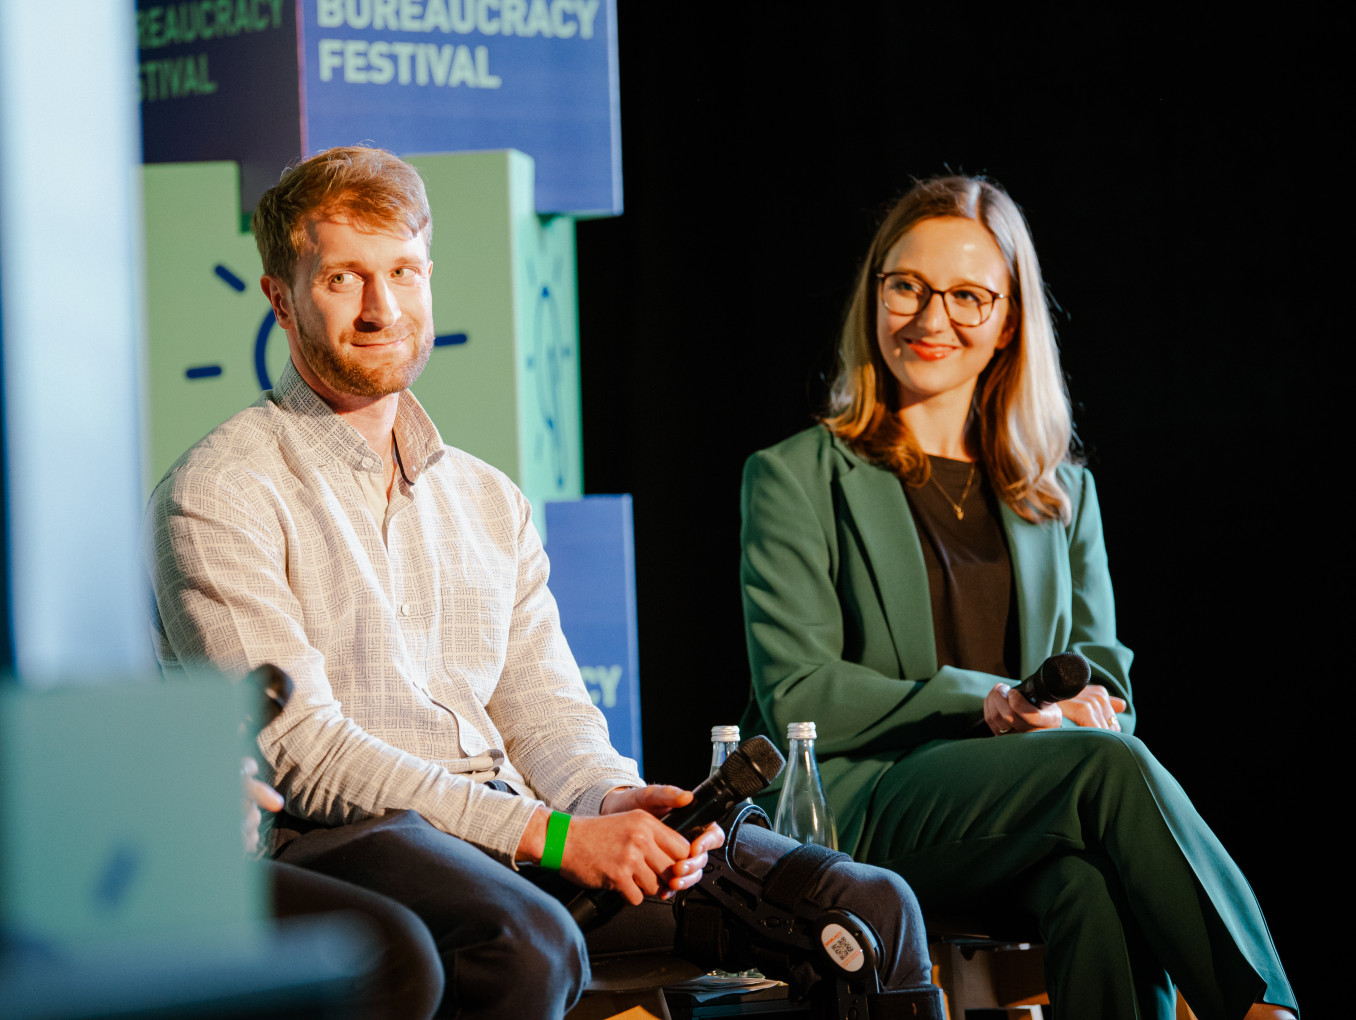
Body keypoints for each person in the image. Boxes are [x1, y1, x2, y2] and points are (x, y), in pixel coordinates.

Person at [147, 145, 936, 1018]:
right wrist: (555, 836)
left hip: (515, 842)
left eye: (403, 273)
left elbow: (548, 718)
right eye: (344, 279)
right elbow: (305, 754)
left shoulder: (490, 500)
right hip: (343, 842)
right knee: (524, 943)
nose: (381, 308)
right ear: (280, 298)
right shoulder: (219, 490)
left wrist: (613, 799)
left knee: (864, 910)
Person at [738, 175, 1299, 1020]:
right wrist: (992, 700)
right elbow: (798, 697)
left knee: (1091, 883)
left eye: (968, 297)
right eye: (908, 288)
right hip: (868, 806)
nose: (933, 320)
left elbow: (1106, 682)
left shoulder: (1060, 492)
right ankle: (1262, 1009)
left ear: (1007, 323)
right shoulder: (795, 477)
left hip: (1035, 801)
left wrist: (1076, 710)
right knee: (1105, 772)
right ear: (874, 295)